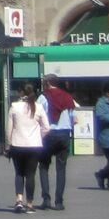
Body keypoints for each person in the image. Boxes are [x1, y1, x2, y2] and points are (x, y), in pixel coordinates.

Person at [4, 83, 50, 214]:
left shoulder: (14, 107)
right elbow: (47, 128)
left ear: (20, 93)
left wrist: (8, 145)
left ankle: (19, 200)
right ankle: (30, 204)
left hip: (17, 144)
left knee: (19, 173)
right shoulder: (39, 107)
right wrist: (38, 136)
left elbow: (9, 129)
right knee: (31, 174)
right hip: (34, 145)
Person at [39, 74, 75, 210]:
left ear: (48, 83)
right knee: (61, 169)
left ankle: (46, 199)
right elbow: (74, 119)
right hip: (64, 134)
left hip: (49, 134)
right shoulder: (68, 97)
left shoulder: (43, 97)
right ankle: (59, 202)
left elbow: (37, 114)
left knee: (43, 166)